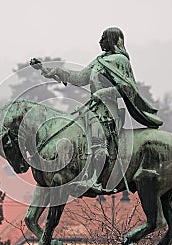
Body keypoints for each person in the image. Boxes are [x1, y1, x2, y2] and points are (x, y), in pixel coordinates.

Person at [41, 27, 163, 193]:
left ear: (113, 40)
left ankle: (96, 179)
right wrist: (56, 71)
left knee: (97, 137)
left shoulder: (120, 60)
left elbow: (128, 88)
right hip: (93, 108)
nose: (100, 42)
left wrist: (103, 93)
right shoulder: (100, 60)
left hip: (109, 111)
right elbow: (80, 77)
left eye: (104, 38)